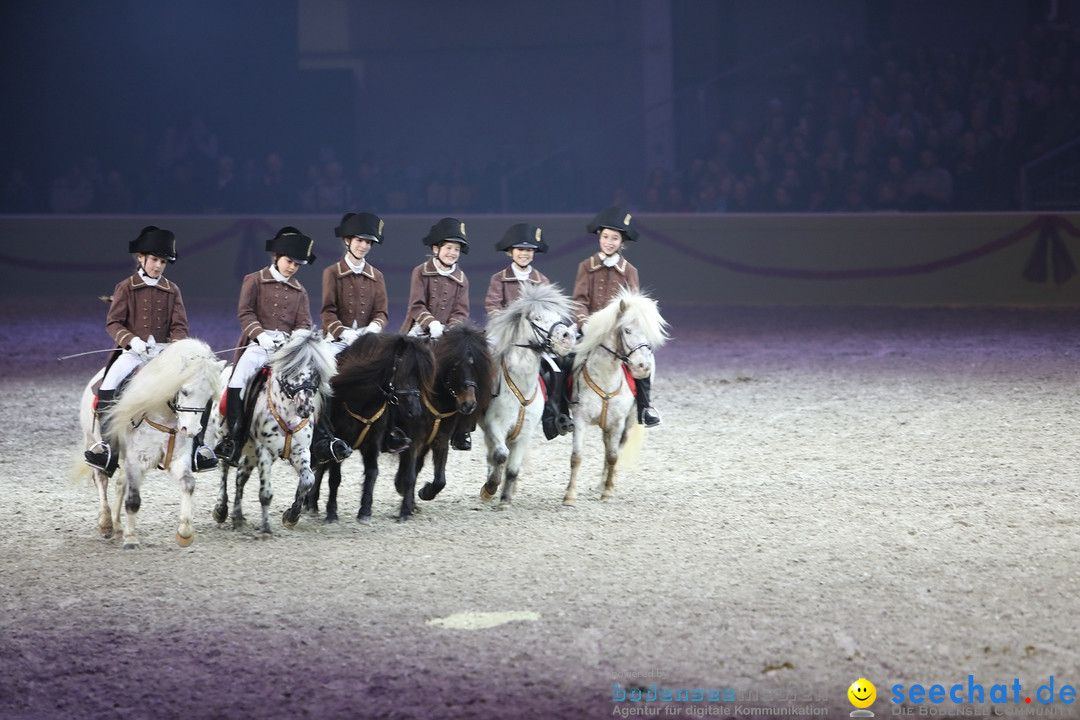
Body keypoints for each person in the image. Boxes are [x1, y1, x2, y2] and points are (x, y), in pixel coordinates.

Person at [85, 226, 218, 476]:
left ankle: (198, 448)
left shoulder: (172, 290)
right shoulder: (125, 287)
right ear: (141, 258)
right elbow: (113, 323)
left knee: (200, 386)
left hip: (165, 356)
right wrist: (132, 341)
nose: (158, 266)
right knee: (109, 385)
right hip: (133, 353)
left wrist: (172, 346)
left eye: (163, 262)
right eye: (154, 260)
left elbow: (180, 326)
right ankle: (108, 448)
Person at [214, 226, 350, 467]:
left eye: (297, 265)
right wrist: (261, 336)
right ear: (276, 257)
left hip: (287, 351)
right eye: (289, 262)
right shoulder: (254, 280)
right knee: (239, 377)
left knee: (314, 383)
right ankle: (234, 437)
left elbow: (304, 322)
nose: (292, 268)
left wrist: (294, 339)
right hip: (258, 345)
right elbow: (245, 313)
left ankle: (322, 438)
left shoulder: (300, 291)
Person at [320, 211, 406, 453]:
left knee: (391, 374)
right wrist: (344, 333)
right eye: (359, 240)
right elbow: (327, 311)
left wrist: (374, 328)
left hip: (368, 340)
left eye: (367, 242)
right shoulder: (332, 272)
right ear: (347, 241)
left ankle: (391, 431)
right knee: (322, 378)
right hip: (338, 339)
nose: (363, 246)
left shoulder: (376, 276)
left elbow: (382, 312)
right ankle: (323, 433)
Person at [572, 206, 661, 427]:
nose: (609, 242)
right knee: (564, 360)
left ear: (622, 243)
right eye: (605, 237)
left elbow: (634, 306)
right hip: (591, 329)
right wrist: (583, 323)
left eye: (614, 238)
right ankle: (562, 409)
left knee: (643, 361)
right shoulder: (586, 266)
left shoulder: (630, 271)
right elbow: (580, 300)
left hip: (619, 333)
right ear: (599, 238)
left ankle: (645, 407)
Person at [484, 222, 573, 440]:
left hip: (534, 339)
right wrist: (509, 325)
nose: (524, 254)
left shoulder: (541, 280)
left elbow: (550, 311)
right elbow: (492, 306)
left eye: (529, 250)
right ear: (510, 252)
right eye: (520, 250)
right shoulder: (499, 278)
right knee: (485, 362)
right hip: (505, 334)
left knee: (556, 370)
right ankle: (483, 406)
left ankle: (555, 415)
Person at [400, 217, 473, 449]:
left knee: (468, 372)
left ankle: (462, 429)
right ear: (436, 248)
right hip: (420, 330)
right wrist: (431, 323)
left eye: (457, 249)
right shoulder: (420, 272)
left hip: (448, 335)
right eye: (449, 247)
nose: (452, 253)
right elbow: (416, 305)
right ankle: (398, 424)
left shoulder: (462, 279)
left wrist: (451, 327)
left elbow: (461, 310)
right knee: (401, 369)